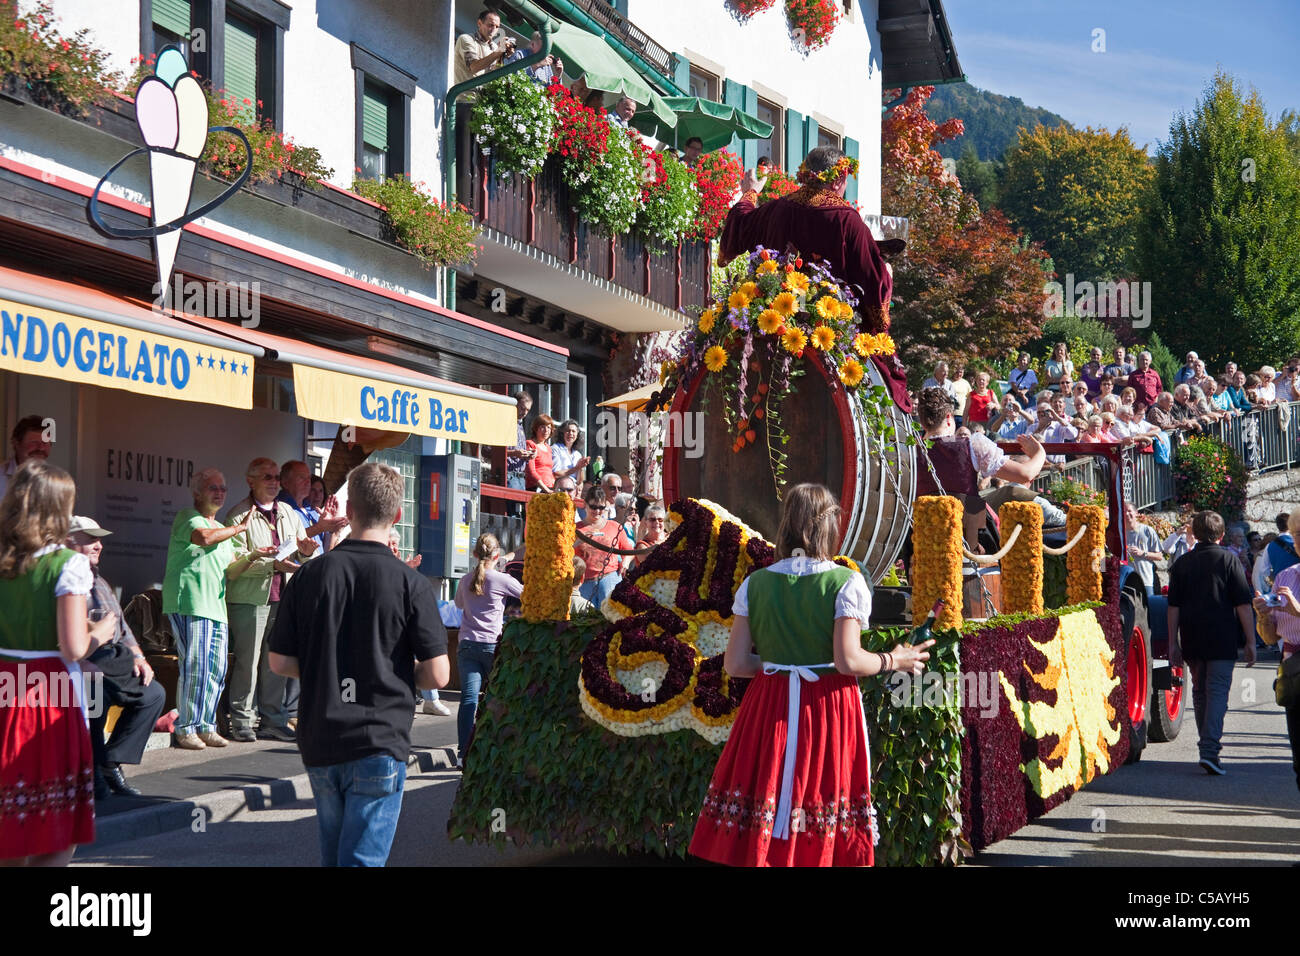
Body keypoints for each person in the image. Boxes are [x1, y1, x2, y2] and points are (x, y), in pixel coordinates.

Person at [688, 482, 933, 866]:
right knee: (819, 797)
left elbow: (735, 664)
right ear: (828, 525)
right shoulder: (844, 582)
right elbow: (847, 660)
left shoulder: (756, 583)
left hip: (768, 706)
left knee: (768, 798)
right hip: (825, 705)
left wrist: (777, 667)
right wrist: (894, 660)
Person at [269, 463, 448, 866]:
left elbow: (279, 661)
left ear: (348, 512)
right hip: (378, 737)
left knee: (335, 857)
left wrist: (322, 671)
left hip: (320, 736)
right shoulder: (411, 584)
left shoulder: (309, 576)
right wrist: (396, 675)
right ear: (398, 515)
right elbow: (438, 674)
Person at [718, 145, 906, 409]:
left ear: (806, 173)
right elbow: (873, 287)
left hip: (774, 324)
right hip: (828, 334)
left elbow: (741, 221)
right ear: (840, 178)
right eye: (846, 181)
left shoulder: (777, 209)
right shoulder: (847, 220)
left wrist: (751, 190)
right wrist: (886, 275)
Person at [0, 461, 101, 865]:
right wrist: (103, 631)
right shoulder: (66, 564)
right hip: (47, 694)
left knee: (12, 818)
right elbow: (74, 646)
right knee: (56, 828)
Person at [162, 466, 268, 750]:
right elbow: (204, 538)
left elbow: (232, 571)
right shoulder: (189, 517)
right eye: (213, 488)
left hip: (216, 608)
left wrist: (255, 554)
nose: (220, 493)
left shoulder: (222, 529)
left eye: (223, 488)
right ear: (197, 493)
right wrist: (239, 529)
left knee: (216, 670)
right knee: (195, 668)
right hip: (191, 603)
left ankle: (206, 725)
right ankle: (186, 727)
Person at [66, 516, 166, 799]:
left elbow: (122, 626)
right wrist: (78, 659)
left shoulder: (100, 581)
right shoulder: (65, 580)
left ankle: (111, 761)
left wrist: (139, 657)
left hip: (113, 656)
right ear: (69, 542)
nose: (98, 545)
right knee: (94, 698)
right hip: (84, 658)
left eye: (99, 540)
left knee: (154, 694)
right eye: (90, 540)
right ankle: (94, 771)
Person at [224, 458, 318, 744]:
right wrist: (272, 566)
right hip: (249, 599)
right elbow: (234, 566)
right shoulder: (238, 516)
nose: (274, 481)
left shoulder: (288, 512)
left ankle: (273, 720)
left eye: (277, 476)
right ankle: (242, 720)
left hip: (283, 598)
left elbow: (304, 553)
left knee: (274, 663)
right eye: (267, 476)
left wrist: (306, 551)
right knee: (247, 663)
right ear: (250, 480)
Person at [1167, 510, 1254, 775]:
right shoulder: (1229, 559)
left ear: (1194, 533)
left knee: (1200, 691)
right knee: (1216, 691)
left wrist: (1172, 643)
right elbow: (1242, 604)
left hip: (1192, 636)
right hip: (1222, 637)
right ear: (1222, 535)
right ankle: (1209, 749)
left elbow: (1173, 606)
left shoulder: (1182, 563)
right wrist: (1251, 641)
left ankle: (1207, 747)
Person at [914, 387, 1046, 551]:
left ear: (922, 421)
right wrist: (1040, 453)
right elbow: (1025, 474)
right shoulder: (973, 444)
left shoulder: (910, 451)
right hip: (969, 542)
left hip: (923, 545)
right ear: (949, 418)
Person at [453, 533, 523, 766]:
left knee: (469, 699)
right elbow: (526, 593)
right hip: (491, 645)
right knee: (496, 697)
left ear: (475, 555)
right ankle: (495, 748)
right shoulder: (500, 579)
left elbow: (459, 604)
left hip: (467, 644)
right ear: (497, 555)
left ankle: (463, 751)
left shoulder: (465, 579)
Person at [1252, 528, 1300, 793]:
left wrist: (1297, 609)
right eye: (1298, 533)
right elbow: (1270, 638)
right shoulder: (1285, 576)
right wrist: (1263, 616)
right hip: (1293, 671)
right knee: (1298, 760)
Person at [575, 486, 632, 607]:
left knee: (611, 619)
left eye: (601, 507)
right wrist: (578, 541)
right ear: (585, 505)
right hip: (584, 582)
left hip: (609, 578)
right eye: (593, 507)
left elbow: (628, 550)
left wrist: (625, 563)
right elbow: (563, 553)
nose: (597, 511)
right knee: (585, 621)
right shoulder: (574, 529)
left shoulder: (614, 526)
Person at [453, 7, 516, 86]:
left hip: (482, 97)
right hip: (463, 96)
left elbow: (494, 76)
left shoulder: (494, 47)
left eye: (497, 27)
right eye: (491, 25)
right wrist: (498, 52)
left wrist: (502, 56)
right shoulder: (466, 39)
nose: (494, 29)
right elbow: (474, 67)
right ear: (479, 23)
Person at [0, 414, 51, 501]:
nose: (41, 448)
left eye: (45, 443)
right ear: (16, 443)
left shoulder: (55, 481)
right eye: (34, 442)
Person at [1124, 503, 1162, 598]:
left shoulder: (1147, 531)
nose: (1127, 514)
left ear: (1136, 513)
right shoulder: (1119, 533)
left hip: (1145, 581)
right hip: (1126, 582)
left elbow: (1159, 556)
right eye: (1124, 511)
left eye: (1129, 511)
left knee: (1148, 610)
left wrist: (1142, 553)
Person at [506, 392, 536, 506]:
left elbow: (519, 453)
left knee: (518, 516)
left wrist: (528, 455)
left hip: (520, 477)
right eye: (522, 408)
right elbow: (488, 451)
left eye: (527, 410)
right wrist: (514, 453)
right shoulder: (505, 423)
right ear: (514, 405)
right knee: (511, 513)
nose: (524, 412)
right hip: (508, 475)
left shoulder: (520, 426)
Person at [551, 419, 591, 486]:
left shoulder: (578, 454)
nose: (571, 433)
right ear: (562, 433)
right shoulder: (555, 449)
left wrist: (581, 467)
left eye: (573, 431)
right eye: (568, 431)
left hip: (573, 490)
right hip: (560, 488)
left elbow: (579, 482)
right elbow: (556, 474)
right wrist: (577, 468)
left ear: (577, 435)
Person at [524, 414, 557, 492]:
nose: (546, 430)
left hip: (550, 488)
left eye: (549, 427)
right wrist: (546, 490)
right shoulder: (530, 444)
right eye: (542, 427)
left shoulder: (548, 448)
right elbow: (531, 472)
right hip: (536, 488)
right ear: (536, 428)